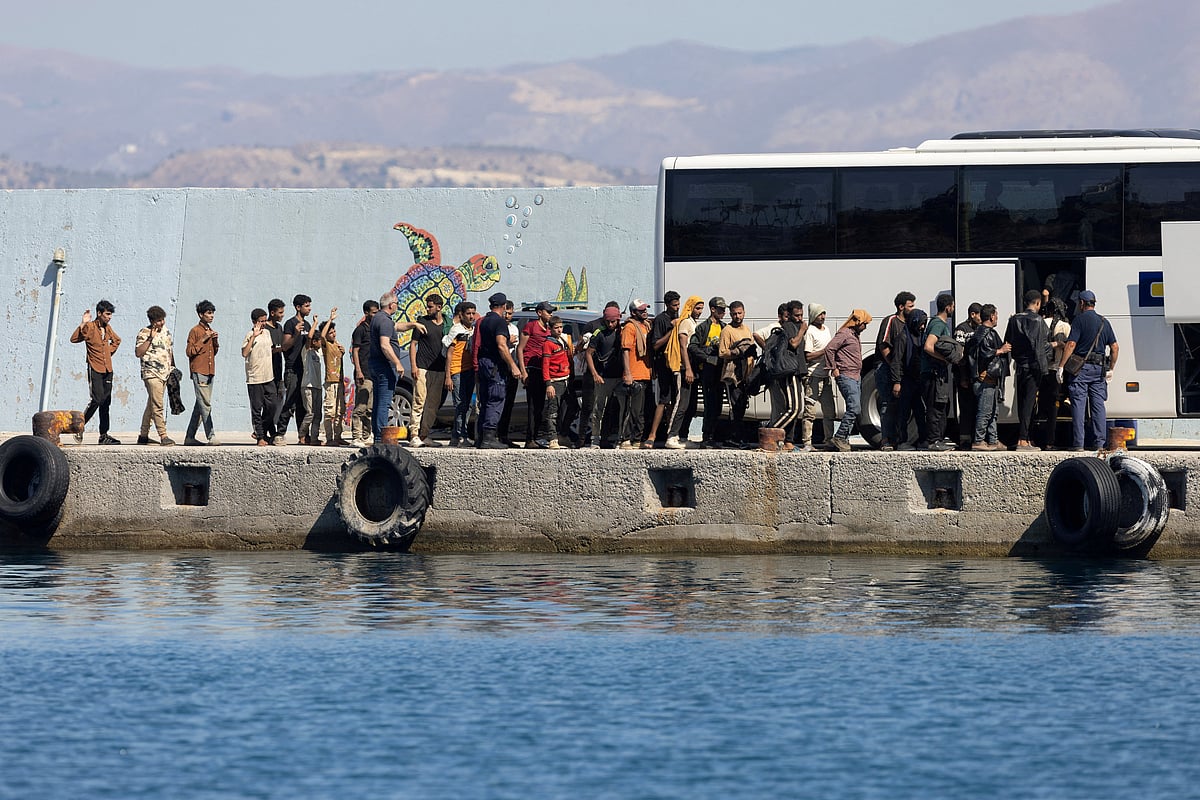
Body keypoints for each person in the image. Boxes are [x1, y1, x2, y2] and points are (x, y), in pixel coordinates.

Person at [1060, 290, 1119, 451]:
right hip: (1099, 369)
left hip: (1081, 370)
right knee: (1098, 405)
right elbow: (1115, 347)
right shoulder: (1104, 322)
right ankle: (1099, 444)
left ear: (1081, 303)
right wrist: (1111, 369)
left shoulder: (1079, 320)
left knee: (1078, 405)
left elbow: (1071, 345)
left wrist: (1061, 366)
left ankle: (1079, 444)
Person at [368, 293, 425, 444]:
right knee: (384, 402)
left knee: (378, 401)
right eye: (397, 303)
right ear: (391, 305)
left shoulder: (379, 318)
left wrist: (413, 324)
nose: (398, 306)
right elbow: (385, 345)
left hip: (376, 365)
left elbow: (398, 327)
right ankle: (381, 437)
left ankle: (377, 435)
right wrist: (397, 363)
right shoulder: (384, 321)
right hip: (385, 367)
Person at [1005, 289, 1052, 451]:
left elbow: (1008, 342)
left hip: (1020, 366)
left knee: (1021, 402)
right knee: (1029, 403)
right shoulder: (1039, 321)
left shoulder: (1014, 319)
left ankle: (1025, 438)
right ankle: (1023, 440)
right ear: (1038, 303)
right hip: (1034, 366)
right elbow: (1040, 347)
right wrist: (1043, 368)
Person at [69, 300, 122, 445]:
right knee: (97, 399)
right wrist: (82, 323)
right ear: (99, 313)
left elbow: (117, 340)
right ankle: (79, 427)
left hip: (108, 369)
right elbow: (74, 339)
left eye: (110, 315)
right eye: (107, 314)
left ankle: (103, 435)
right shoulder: (90, 327)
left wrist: (107, 352)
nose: (109, 317)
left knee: (106, 402)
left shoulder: (108, 328)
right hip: (95, 368)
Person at [476, 293, 520, 449]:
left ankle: (481, 437)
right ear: (504, 307)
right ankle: (488, 438)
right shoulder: (500, 322)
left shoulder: (484, 321)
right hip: (495, 365)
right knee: (496, 399)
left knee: (486, 400)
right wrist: (513, 366)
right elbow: (501, 345)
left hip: (484, 363)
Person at [825, 309, 873, 452]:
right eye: (864, 324)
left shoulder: (854, 335)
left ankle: (843, 441)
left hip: (855, 376)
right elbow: (829, 349)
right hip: (846, 376)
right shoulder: (844, 334)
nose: (865, 327)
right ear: (858, 322)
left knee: (855, 408)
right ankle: (840, 436)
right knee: (855, 407)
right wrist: (834, 368)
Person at [875, 291, 915, 451]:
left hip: (899, 370)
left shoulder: (908, 324)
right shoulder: (891, 321)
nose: (913, 309)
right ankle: (885, 439)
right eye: (910, 306)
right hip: (885, 368)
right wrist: (893, 365)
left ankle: (898, 439)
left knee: (900, 404)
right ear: (901, 307)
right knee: (887, 403)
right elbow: (884, 346)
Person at [664, 295, 705, 449]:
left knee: (691, 405)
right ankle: (672, 435)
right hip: (683, 368)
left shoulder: (694, 323)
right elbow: (683, 347)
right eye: (697, 308)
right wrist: (687, 368)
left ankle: (682, 436)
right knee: (682, 403)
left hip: (693, 369)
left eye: (701, 308)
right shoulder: (685, 323)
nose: (700, 311)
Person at [408, 293, 448, 447]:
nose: (427, 308)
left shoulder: (446, 324)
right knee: (419, 400)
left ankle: (425, 434)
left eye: (430, 306)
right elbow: (413, 344)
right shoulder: (422, 322)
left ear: (439, 307)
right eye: (427, 306)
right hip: (422, 366)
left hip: (439, 369)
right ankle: (414, 434)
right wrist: (413, 365)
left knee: (433, 403)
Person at [969, 304, 1011, 451]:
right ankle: (979, 440)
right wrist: (1000, 350)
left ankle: (993, 440)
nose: (997, 318)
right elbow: (984, 354)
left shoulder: (981, 332)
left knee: (993, 412)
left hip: (990, 380)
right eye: (996, 315)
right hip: (985, 380)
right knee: (985, 411)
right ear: (992, 316)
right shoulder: (986, 333)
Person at [687, 297, 728, 448]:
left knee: (718, 406)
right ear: (712, 309)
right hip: (707, 371)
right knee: (709, 405)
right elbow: (692, 346)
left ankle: (714, 436)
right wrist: (707, 358)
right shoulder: (704, 327)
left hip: (720, 371)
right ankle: (706, 436)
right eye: (720, 309)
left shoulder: (725, 327)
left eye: (724, 309)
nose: (723, 312)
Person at [134, 305, 176, 446]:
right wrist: (150, 339)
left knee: (152, 404)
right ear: (152, 321)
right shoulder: (144, 333)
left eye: (163, 319)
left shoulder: (166, 332)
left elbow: (169, 350)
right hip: (151, 373)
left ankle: (143, 435)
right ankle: (163, 435)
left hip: (165, 372)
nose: (162, 323)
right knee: (158, 404)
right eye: (158, 320)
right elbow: (138, 352)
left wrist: (173, 368)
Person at [517, 300, 557, 447]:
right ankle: (529, 439)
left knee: (540, 406)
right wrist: (523, 371)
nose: (551, 314)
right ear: (539, 313)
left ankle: (536, 436)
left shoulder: (548, 330)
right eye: (548, 311)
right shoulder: (531, 327)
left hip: (544, 370)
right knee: (533, 406)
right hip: (531, 368)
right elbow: (520, 348)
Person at [718, 300, 756, 447]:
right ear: (730, 314)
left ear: (744, 313)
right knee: (735, 406)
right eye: (734, 314)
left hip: (745, 373)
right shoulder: (727, 330)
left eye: (739, 313)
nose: (737, 316)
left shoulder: (746, 329)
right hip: (732, 375)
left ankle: (739, 437)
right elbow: (722, 353)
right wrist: (737, 352)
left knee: (741, 405)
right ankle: (734, 437)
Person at [586, 306, 626, 448]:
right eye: (608, 321)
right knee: (599, 409)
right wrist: (595, 374)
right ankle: (595, 439)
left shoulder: (623, 332)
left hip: (620, 377)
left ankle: (621, 438)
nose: (610, 324)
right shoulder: (599, 333)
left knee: (623, 409)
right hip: (603, 378)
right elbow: (588, 354)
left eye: (613, 322)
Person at [645, 291, 681, 446]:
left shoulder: (678, 319)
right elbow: (656, 344)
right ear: (667, 305)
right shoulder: (661, 320)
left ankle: (670, 434)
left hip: (676, 364)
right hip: (663, 364)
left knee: (675, 399)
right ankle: (652, 435)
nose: (677, 308)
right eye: (674, 305)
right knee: (664, 399)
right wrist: (672, 331)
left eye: (678, 304)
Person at [920, 293, 956, 451]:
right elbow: (928, 346)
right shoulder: (938, 324)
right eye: (953, 306)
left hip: (938, 374)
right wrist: (944, 359)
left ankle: (938, 439)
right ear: (948, 307)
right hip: (934, 374)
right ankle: (933, 441)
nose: (953, 309)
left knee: (942, 406)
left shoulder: (939, 324)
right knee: (935, 407)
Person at [889, 308, 928, 450]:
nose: (922, 327)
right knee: (903, 413)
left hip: (917, 381)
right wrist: (897, 382)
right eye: (920, 324)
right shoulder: (903, 337)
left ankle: (923, 440)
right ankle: (901, 441)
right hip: (905, 381)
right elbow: (897, 360)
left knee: (920, 412)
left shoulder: (921, 336)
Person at [183, 300, 219, 446]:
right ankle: (211, 435)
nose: (211, 316)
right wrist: (204, 339)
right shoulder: (195, 331)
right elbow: (189, 351)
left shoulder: (209, 330)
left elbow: (213, 352)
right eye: (209, 313)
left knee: (200, 405)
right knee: (205, 404)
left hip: (209, 371)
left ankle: (189, 437)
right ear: (201, 314)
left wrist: (215, 341)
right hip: (199, 370)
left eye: (212, 313)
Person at [278, 294, 313, 443]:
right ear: (298, 307)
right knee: (290, 403)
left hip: (304, 370)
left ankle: (303, 435)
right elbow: (285, 346)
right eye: (306, 306)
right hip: (292, 369)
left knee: (302, 405)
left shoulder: (308, 325)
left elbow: (308, 345)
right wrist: (296, 333)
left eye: (310, 305)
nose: (309, 308)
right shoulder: (290, 324)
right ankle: (280, 434)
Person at [242, 308, 279, 447]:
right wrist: (253, 337)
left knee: (272, 405)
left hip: (268, 376)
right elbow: (245, 353)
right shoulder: (249, 334)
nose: (263, 323)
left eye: (265, 320)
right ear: (254, 322)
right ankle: (260, 437)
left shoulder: (268, 333)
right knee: (257, 408)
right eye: (260, 321)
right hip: (255, 377)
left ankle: (259, 431)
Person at [620, 299, 654, 449]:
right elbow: (625, 350)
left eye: (645, 309)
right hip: (634, 374)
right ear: (634, 312)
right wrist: (628, 373)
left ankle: (637, 439)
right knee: (632, 410)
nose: (644, 312)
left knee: (641, 411)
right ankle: (625, 439)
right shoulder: (630, 327)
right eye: (641, 310)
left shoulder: (645, 326)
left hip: (645, 373)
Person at [442, 301, 477, 448]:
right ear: (461, 315)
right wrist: (448, 376)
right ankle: (461, 435)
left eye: (473, 313)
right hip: (457, 372)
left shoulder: (473, 330)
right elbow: (449, 354)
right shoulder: (456, 330)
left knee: (468, 405)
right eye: (468, 313)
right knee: (460, 405)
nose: (471, 316)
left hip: (469, 371)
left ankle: (455, 437)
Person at [801, 303, 835, 451]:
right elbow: (807, 356)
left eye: (824, 313)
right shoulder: (810, 332)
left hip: (825, 376)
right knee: (810, 412)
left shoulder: (826, 329)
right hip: (813, 376)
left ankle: (829, 441)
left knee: (830, 412)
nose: (823, 317)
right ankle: (807, 443)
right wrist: (824, 352)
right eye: (820, 314)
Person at [538, 315, 572, 449]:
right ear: (550, 329)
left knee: (571, 407)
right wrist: (548, 384)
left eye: (560, 327)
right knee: (553, 411)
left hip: (566, 379)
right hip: (555, 381)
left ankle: (562, 434)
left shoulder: (562, 340)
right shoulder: (548, 344)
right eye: (556, 328)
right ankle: (552, 437)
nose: (559, 330)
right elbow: (545, 364)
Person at [953, 302, 982, 450]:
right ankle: (964, 440)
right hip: (964, 376)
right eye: (979, 315)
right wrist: (963, 376)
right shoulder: (961, 329)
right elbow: (960, 355)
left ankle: (973, 438)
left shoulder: (979, 329)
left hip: (975, 376)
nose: (981, 318)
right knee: (965, 408)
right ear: (972, 315)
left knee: (976, 408)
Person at [350, 300, 379, 447]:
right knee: (360, 407)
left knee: (369, 408)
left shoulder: (374, 330)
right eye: (374, 312)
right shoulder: (360, 330)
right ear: (366, 313)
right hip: (364, 373)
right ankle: (356, 436)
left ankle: (367, 436)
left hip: (373, 373)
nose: (376, 315)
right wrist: (359, 371)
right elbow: (355, 351)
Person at [318, 311, 348, 446]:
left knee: (340, 410)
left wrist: (343, 351)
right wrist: (330, 319)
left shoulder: (337, 345)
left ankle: (338, 435)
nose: (333, 334)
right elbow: (322, 335)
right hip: (331, 382)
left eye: (334, 331)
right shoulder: (326, 345)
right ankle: (329, 438)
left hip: (339, 381)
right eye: (331, 332)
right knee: (330, 411)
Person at [497, 300, 521, 446]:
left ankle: (504, 435)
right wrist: (508, 342)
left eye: (510, 314)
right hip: (499, 367)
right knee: (497, 402)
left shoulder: (514, 328)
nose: (507, 316)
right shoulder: (497, 327)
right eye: (506, 313)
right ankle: (492, 434)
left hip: (512, 367)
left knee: (509, 404)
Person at [299, 321, 325, 445]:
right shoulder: (307, 352)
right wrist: (315, 323)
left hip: (318, 387)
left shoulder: (319, 353)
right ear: (314, 342)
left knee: (318, 415)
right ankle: (302, 435)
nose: (321, 342)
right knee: (310, 413)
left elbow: (323, 337)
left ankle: (314, 438)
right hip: (308, 386)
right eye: (319, 340)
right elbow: (309, 337)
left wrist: (331, 319)